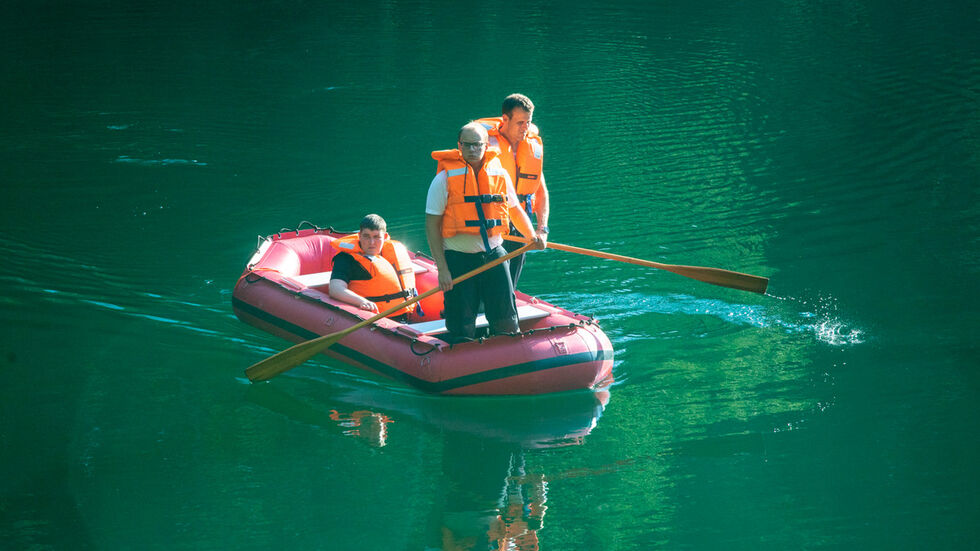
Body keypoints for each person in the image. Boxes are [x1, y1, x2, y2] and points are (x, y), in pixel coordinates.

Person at [425, 122, 545, 343]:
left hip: (494, 255)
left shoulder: (498, 173)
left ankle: (508, 348)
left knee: (506, 317)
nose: (473, 150)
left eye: (477, 145)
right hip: (458, 258)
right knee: (462, 323)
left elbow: (515, 210)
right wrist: (442, 269)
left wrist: (532, 236)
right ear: (459, 146)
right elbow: (432, 226)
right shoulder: (443, 180)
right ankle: (461, 354)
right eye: (467, 145)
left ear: (485, 145)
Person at [477, 93, 549, 288]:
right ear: (505, 119)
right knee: (493, 275)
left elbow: (541, 192)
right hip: (493, 220)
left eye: (528, 122)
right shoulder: (486, 146)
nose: (525, 128)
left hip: (521, 219)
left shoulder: (531, 146)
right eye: (520, 123)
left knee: (512, 274)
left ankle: (508, 303)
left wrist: (542, 229)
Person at [329, 214, 417, 322]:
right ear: (359, 235)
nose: (371, 243)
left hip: (403, 316)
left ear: (384, 237)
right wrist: (361, 301)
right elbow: (335, 289)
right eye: (366, 236)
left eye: (376, 237)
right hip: (372, 318)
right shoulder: (346, 258)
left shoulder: (392, 252)